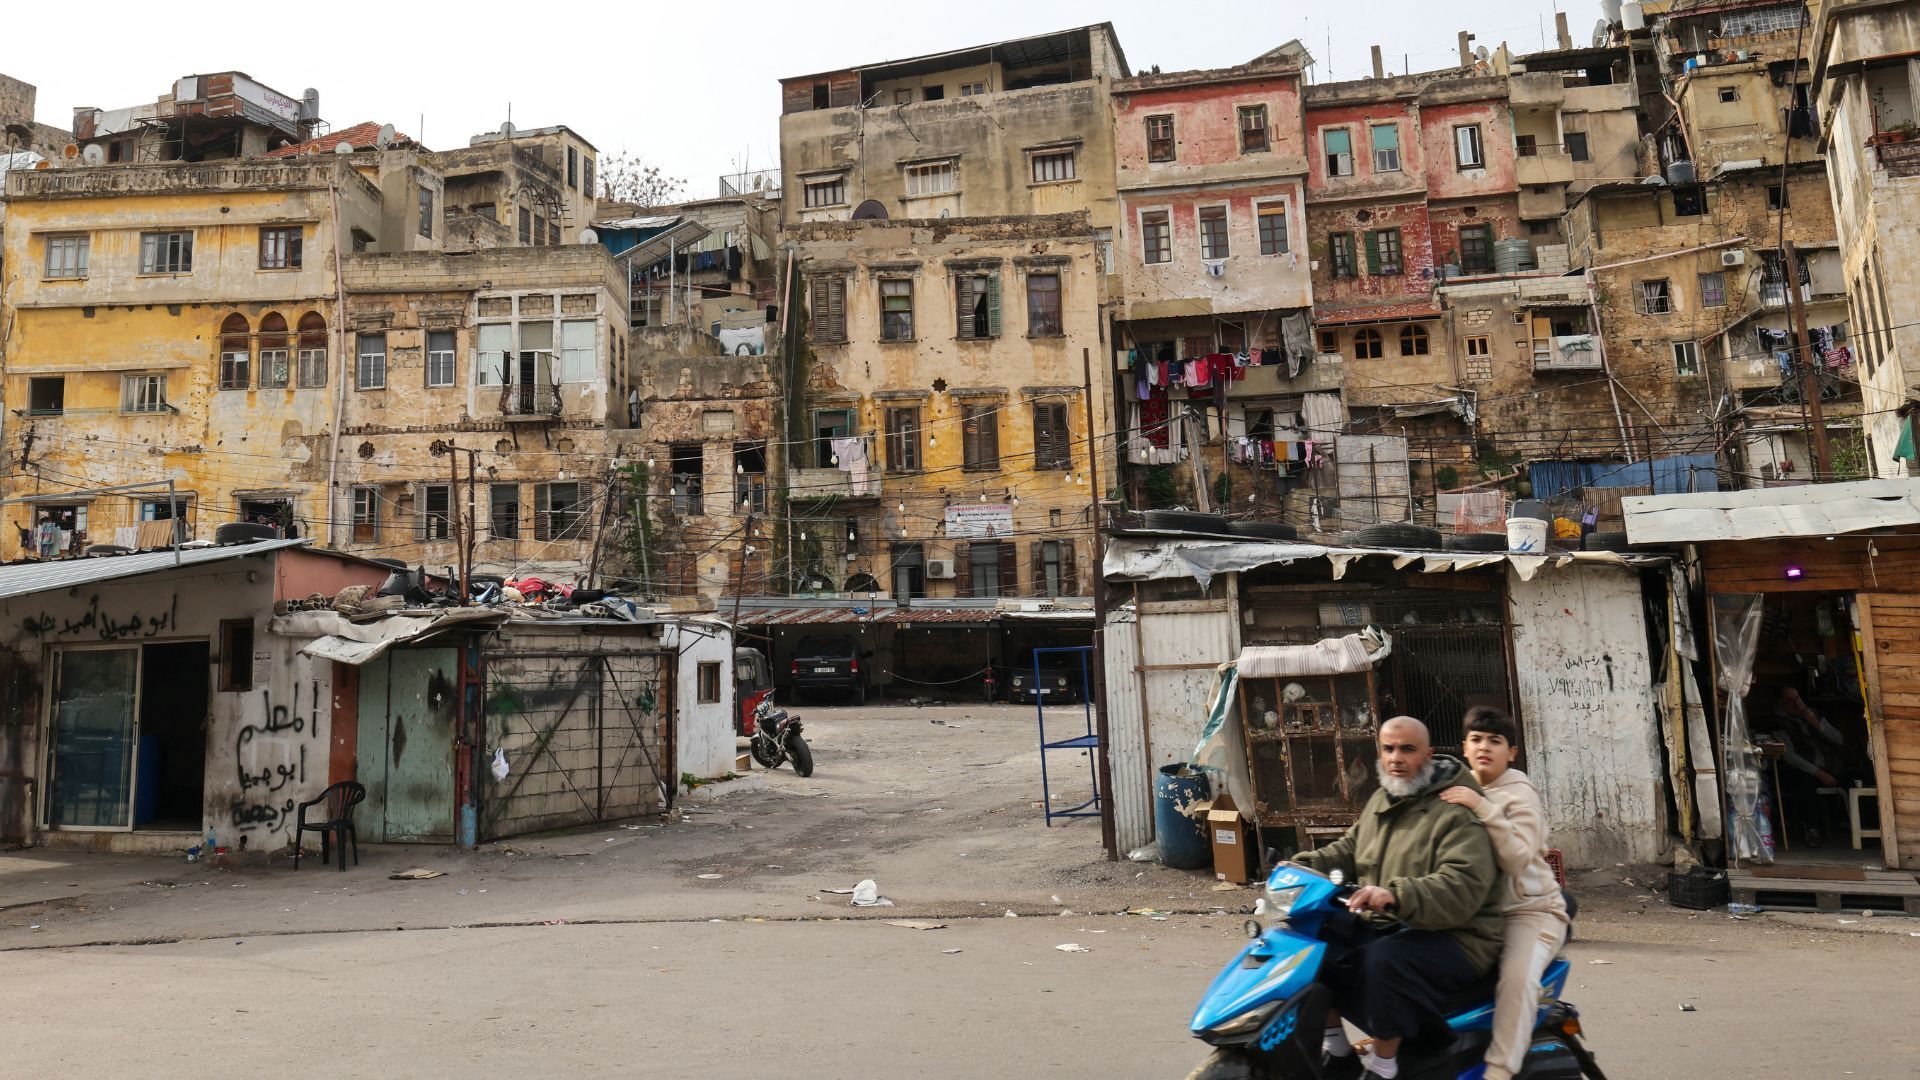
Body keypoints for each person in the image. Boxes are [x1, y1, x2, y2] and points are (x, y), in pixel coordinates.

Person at [1294, 716, 1502, 1080]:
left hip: (1459, 935)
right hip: (1396, 921)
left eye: (1408, 749)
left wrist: (1394, 894)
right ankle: (1338, 1051)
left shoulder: (1456, 808)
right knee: (1310, 943)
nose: (1396, 758)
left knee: (1383, 961)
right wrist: (1300, 867)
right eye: (1388, 749)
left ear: (1429, 754)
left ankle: (1383, 1065)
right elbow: (1350, 849)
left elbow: (1462, 884)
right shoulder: (1382, 798)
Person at [1438, 707, 1569, 1080]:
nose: (1484, 747)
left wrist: (1482, 807)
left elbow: (1517, 858)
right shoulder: (1457, 787)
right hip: (1477, 914)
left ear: (1511, 752)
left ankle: (1499, 1070)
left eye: (1495, 741)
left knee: (1517, 978)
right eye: (1476, 739)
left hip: (1530, 912)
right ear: (1464, 747)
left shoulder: (1518, 793)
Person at [1754, 686, 1848, 844]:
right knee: (1805, 783)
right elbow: (1788, 755)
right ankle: (1812, 830)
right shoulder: (1778, 723)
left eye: (1797, 699)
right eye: (1790, 701)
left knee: (1858, 778)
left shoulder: (1812, 715)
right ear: (1781, 703)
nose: (1797, 704)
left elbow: (1839, 740)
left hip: (1829, 767)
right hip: (1801, 771)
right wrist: (1818, 773)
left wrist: (1816, 723)